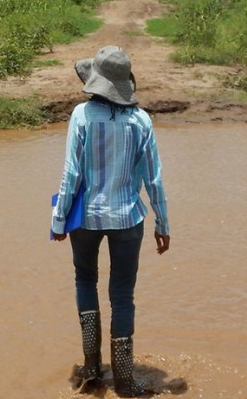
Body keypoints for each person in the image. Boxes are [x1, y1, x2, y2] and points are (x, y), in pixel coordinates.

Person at [51, 45, 171, 397]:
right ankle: (124, 379)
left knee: (85, 280)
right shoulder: (141, 121)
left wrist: (59, 220)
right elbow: (154, 179)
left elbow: (71, 174)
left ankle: (91, 369)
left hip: (85, 217)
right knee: (122, 294)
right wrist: (163, 224)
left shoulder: (82, 115)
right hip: (127, 218)